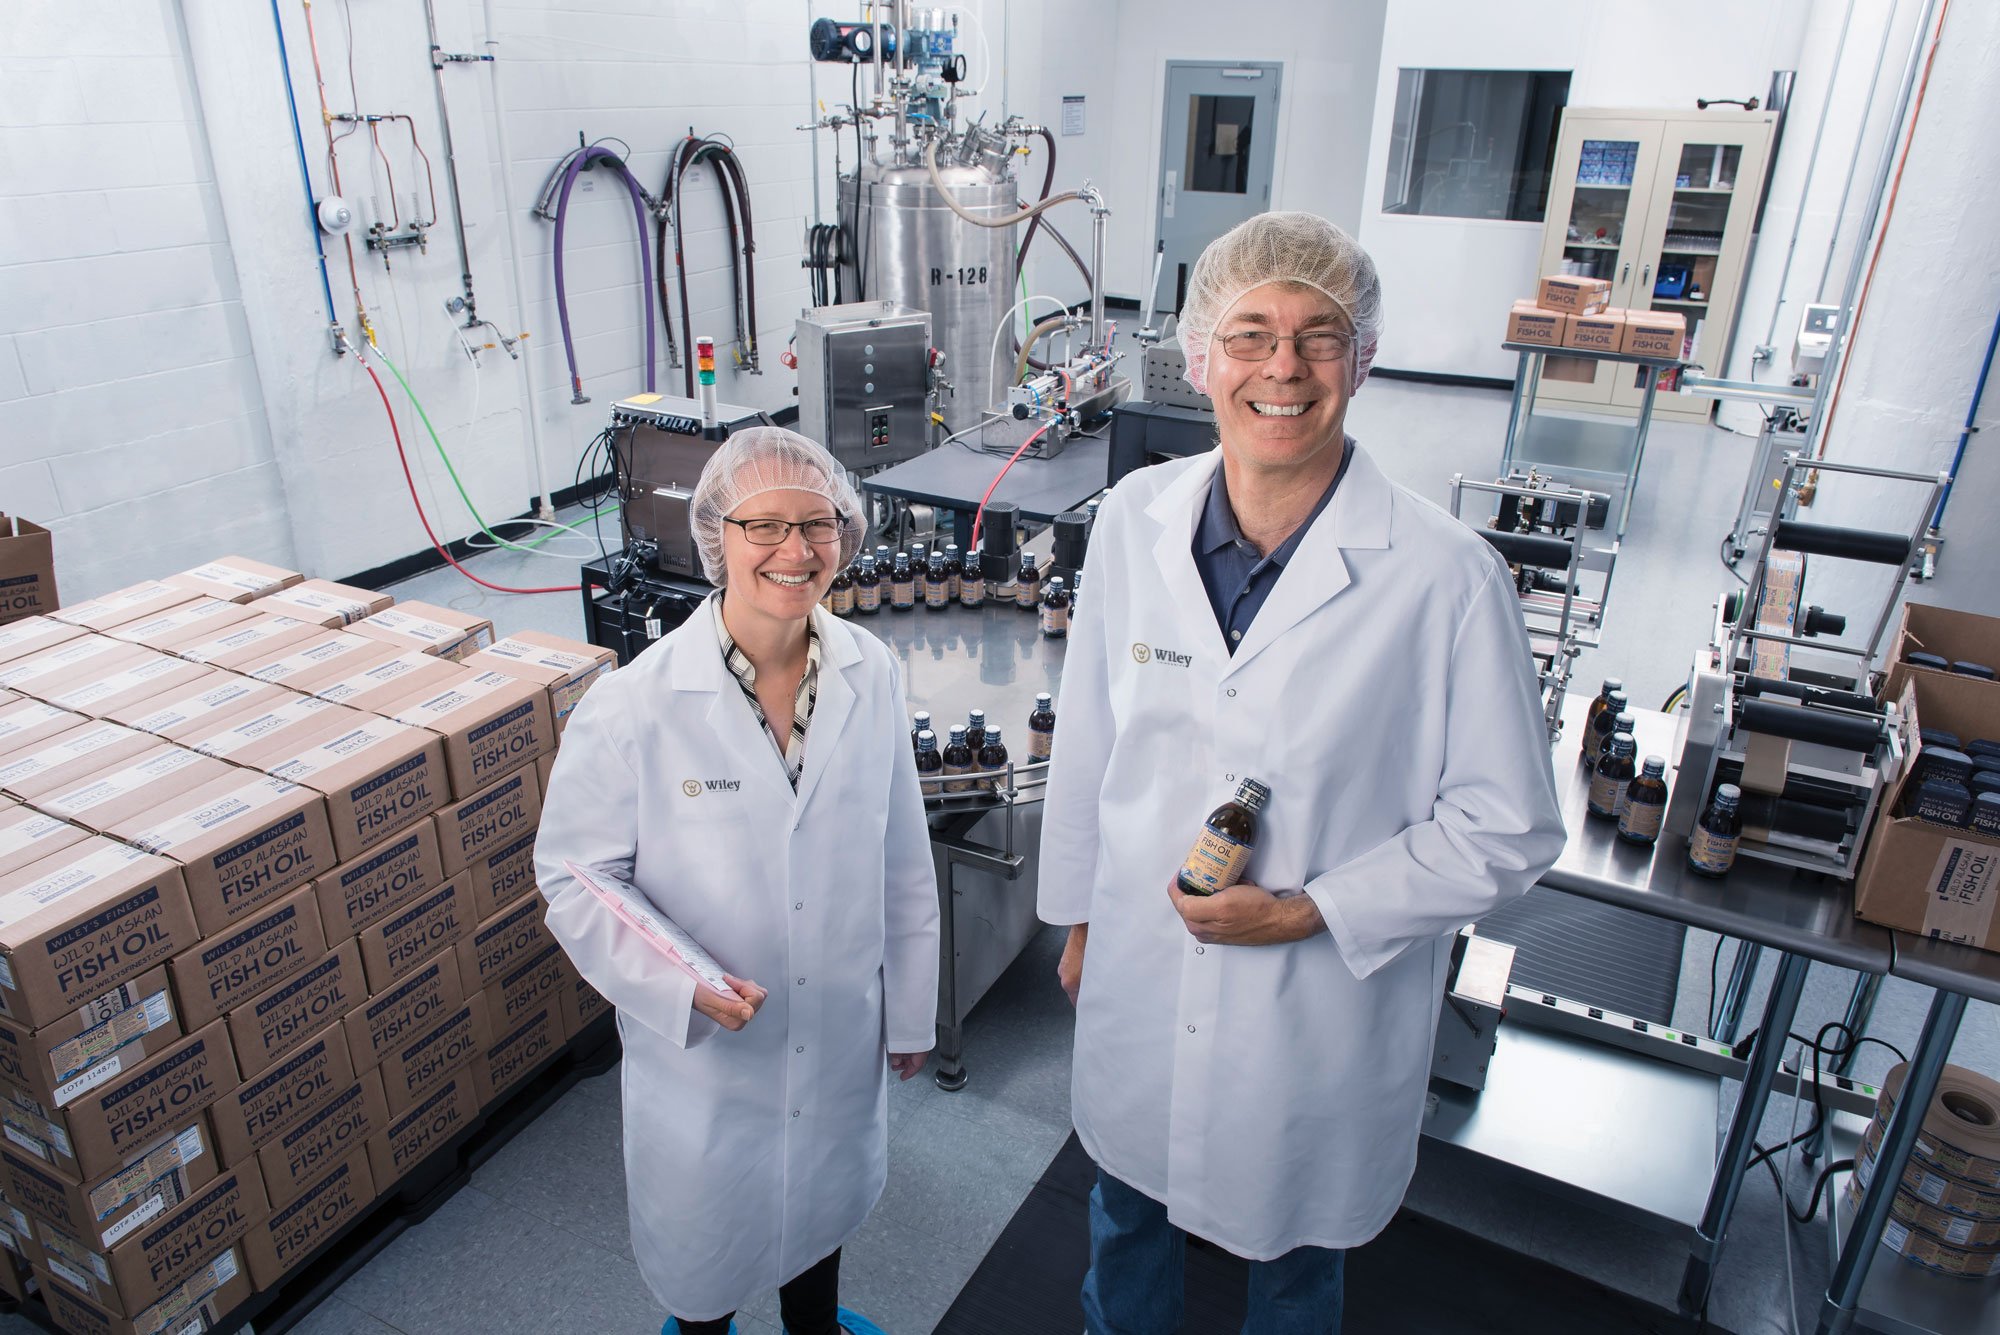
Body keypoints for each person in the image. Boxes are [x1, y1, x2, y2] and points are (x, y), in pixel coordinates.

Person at [1037, 212, 1567, 1334]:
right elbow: (1090, 739)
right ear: (1196, 358)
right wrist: (1077, 920)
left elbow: (1506, 825)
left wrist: (1304, 912)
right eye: (1248, 334)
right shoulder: (1134, 519)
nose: (1282, 368)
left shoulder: (1445, 578)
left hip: (1317, 1000)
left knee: (1292, 1258)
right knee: (1124, 1205)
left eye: (1318, 336)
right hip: (1142, 960)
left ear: (1362, 359)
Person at [536, 427, 941, 1335]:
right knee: (706, 1255)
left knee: (822, 1217)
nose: (795, 552)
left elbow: (902, 856)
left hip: (839, 1025)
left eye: (818, 524)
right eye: (764, 526)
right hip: (709, 1058)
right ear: (718, 536)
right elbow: (576, 874)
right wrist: (682, 978)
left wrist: (911, 1010)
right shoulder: (636, 706)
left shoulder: (869, 671)